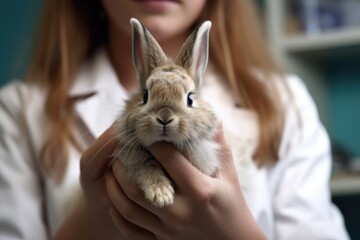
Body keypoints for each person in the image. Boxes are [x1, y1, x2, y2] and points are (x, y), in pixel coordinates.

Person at [0, 0, 350, 239]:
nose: (166, 117)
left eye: (186, 101)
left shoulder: (285, 103)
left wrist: (237, 233)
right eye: (149, 98)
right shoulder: (18, 112)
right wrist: (87, 226)